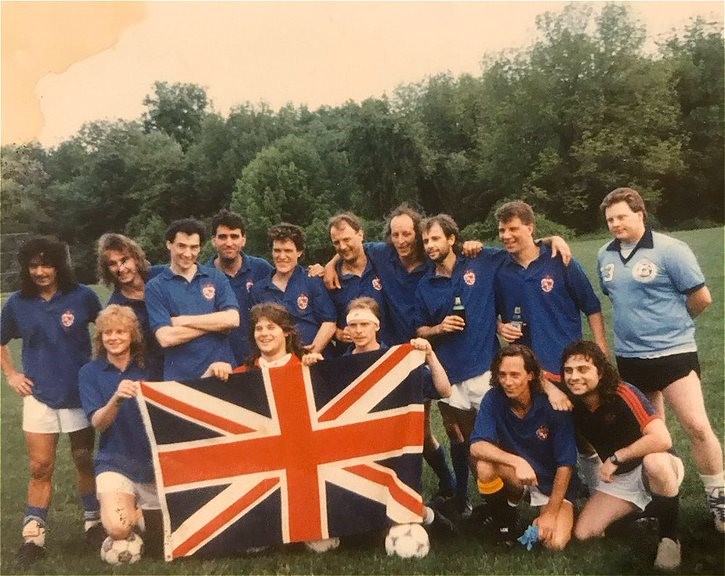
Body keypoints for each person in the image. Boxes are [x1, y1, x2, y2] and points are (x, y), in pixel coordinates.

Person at [598, 187, 723, 532]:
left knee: (697, 426)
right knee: (652, 436)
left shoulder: (670, 249)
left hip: (673, 354)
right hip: (631, 360)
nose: (615, 224)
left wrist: (674, 327)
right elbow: (616, 298)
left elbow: (702, 298)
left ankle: (720, 502)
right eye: (610, 219)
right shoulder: (604, 256)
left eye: (622, 216)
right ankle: (661, 499)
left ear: (640, 214)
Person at [0, 237, 104, 564]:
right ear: (26, 268)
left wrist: (99, 371)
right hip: (39, 396)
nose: (41, 271)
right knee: (40, 466)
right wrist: (11, 374)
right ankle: (34, 536)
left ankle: (94, 523)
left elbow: (110, 329)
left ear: (59, 264)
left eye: (47, 264)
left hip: (78, 394)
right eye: (33, 265)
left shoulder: (83, 296)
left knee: (84, 458)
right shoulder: (17, 303)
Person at [562, 340, 685, 570]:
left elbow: (662, 438)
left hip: (658, 464)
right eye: (568, 370)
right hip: (622, 477)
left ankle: (669, 538)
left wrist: (618, 457)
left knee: (654, 462)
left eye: (583, 369)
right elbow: (540, 378)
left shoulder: (623, 391)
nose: (574, 376)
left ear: (600, 371)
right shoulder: (573, 402)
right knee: (584, 533)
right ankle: (650, 509)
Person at [414, 214, 506, 517]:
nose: (430, 245)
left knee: (497, 438)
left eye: (436, 238)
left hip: (484, 370)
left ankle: (513, 498)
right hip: (449, 375)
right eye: (426, 240)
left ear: (453, 239)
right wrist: (439, 328)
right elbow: (420, 330)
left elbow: (520, 247)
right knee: (462, 439)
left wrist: (553, 240)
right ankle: (471, 500)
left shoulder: (478, 261)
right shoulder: (425, 284)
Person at [495, 201, 608, 406]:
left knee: (578, 426)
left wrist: (601, 349)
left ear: (529, 228)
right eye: (502, 230)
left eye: (513, 229)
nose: (506, 235)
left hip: (567, 363)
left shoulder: (560, 260)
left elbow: (591, 306)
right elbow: (486, 312)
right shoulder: (499, 269)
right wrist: (500, 326)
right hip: (527, 371)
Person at [470, 345, 578, 550]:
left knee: (554, 544)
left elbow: (566, 465)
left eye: (514, 375)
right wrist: (517, 461)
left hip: (550, 482)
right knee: (484, 466)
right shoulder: (493, 398)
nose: (507, 382)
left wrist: (551, 513)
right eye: (502, 375)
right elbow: (477, 446)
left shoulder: (554, 404)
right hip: (519, 476)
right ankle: (505, 522)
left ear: (530, 375)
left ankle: (559, 512)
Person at [78, 305, 162, 557]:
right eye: (107, 333)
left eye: (120, 332)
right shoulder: (89, 372)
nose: (113, 338)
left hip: (152, 463)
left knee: (161, 540)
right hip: (115, 460)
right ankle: (123, 515)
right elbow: (98, 424)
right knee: (117, 528)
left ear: (132, 335)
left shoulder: (151, 368)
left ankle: (140, 512)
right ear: (100, 338)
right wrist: (116, 398)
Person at [145, 218, 240, 381]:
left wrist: (182, 321)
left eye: (194, 247)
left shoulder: (216, 277)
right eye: (181, 246)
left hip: (222, 373)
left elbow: (232, 319)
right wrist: (216, 325)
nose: (188, 254)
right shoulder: (155, 287)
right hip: (182, 379)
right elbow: (166, 338)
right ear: (169, 244)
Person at [250, 223, 337, 355]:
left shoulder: (312, 280)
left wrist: (312, 353)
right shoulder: (258, 290)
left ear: (299, 252)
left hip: (315, 359)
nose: (282, 256)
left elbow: (329, 322)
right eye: (277, 250)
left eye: (288, 251)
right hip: (280, 362)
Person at [207, 209, 274, 365]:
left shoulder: (261, 268)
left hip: (260, 359)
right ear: (213, 240)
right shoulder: (204, 276)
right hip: (222, 363)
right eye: (223, 237)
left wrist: (320, 269)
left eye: (234, 236)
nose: (229, 243)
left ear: (243, 240)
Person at [96, 233, 164, 379]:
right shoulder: (116, 307)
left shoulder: (162, 275)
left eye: (124, 260)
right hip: (153, 375)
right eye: (112, 264)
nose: (120, 268)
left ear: (136, 258)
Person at [325, 213, 390, 349]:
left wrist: (330, 263)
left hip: (387, 354)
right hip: (351, 358)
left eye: (347, 239)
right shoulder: (329, 279)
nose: (342, 246)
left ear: (360, 234)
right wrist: (338, 333)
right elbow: (324, 319)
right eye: (336, 242)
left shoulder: (380, 258)